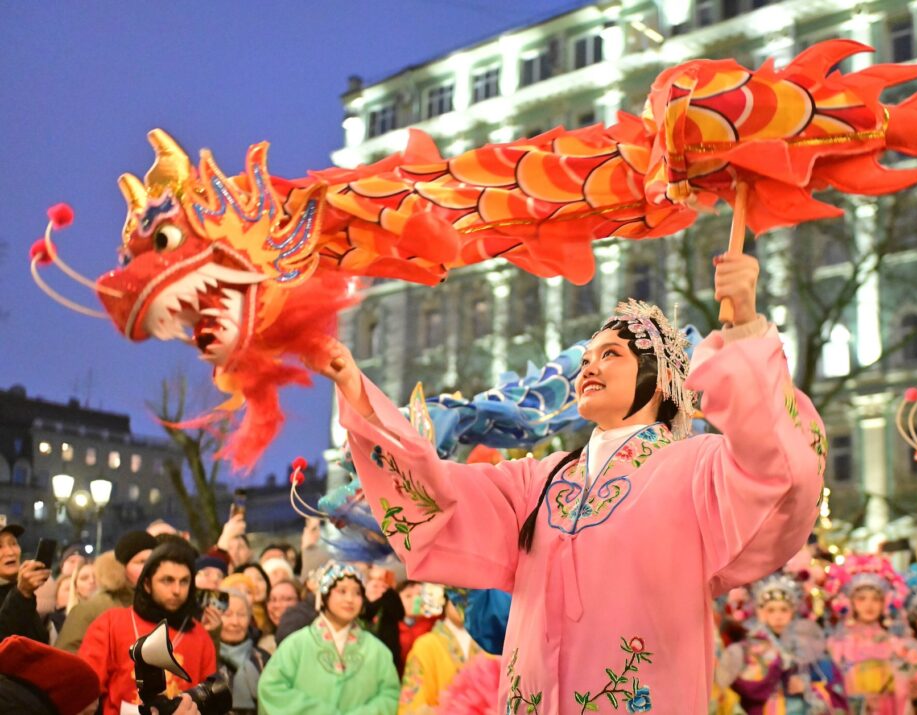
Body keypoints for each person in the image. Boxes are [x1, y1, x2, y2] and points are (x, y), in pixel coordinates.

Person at [311, 252, 825, 712]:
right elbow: (442, 497)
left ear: (660, 377)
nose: (588, 368)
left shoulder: (698, 469)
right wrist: (357, 391)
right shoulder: (540, 480)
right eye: (585, 359)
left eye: (610, 355)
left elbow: (778, 473)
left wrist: (744, 330)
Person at [78, 541, 218, 715]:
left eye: (184, 581)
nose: (177, 590)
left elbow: (208, 700)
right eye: (167, 580)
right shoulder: (110, 623)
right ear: (147, 584)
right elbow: (83, 692)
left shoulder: (200, 635)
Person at [258, 561, 400, 714]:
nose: (350, 599)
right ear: (324, 596)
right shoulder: (296, 645)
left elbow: (390, 695)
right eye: (342, 591)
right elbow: (271, 689)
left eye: (357, 593)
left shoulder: (377, 650)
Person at [725, 573, 846, 713]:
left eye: (784, 609)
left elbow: (834, 687)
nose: (778, 616)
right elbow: (744, 690)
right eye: (770, 610)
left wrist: (808, 688)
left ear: (793, 612)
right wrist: (776, 663)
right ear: (760, 613)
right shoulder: (749, 649)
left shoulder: (809, 647)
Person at [826, 554, 917, 715]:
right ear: (850, 602)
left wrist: (915, 691)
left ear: (885, 602)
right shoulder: (838, 645)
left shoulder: (897, 644)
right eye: (861, 599)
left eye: (876, 599)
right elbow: (830, 689)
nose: (869, 605)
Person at [56, 530, 157, 652]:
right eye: (141, 562)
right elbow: (67, 656)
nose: (149, 567)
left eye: (154, 561)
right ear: (122, 568)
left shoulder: (162, 605)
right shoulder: (92, 610)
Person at [399, 586, 486, 713]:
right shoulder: (425, 645)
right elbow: (412, 705)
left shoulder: (490, 645)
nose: (464, 604)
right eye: (458, 598)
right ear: (446, 600)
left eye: (470, 599)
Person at [218, 591, 270, 715]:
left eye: (241, 615)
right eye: (227, 614)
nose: (235, 622)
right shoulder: (206, 656)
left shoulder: (262, 659)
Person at [0, 516, 49, 644]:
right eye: (0, 546)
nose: (10, 552)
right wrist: (22, 593)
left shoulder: (17, 589)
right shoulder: (20, 592)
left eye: (13, 543)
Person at [260, 578, 301, 654]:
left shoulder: (311, 639)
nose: (276, 605)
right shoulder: (261, 644)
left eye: (286, 599)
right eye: (272, 599)